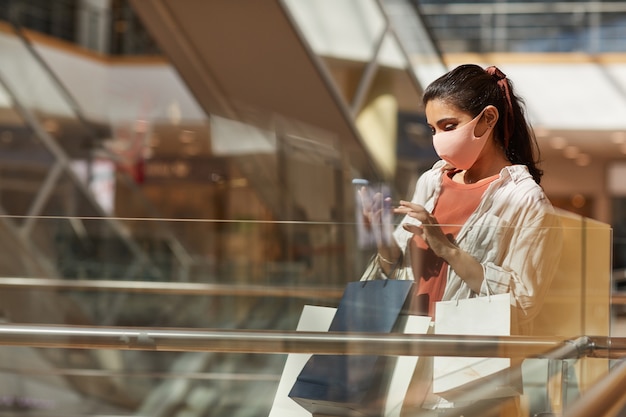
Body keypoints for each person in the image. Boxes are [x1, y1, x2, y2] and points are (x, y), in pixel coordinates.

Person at [361, 64, 563, 415]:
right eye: (433, 128)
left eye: (448, 125)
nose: (438, 138)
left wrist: (449, 249)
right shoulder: (431, 181)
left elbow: (524, 305)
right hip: (406, 363)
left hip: (468, 378)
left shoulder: (525, 200)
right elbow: (398, 267)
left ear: (487, 120)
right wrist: (380, 235)